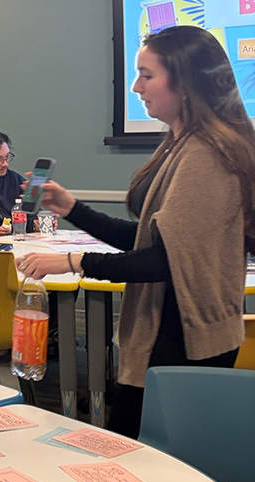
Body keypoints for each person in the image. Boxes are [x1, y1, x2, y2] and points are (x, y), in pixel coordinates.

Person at [19, 26, 255, 439]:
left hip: (183, 339)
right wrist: (73, 208)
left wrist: (72, 261)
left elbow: (161, 262)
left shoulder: (205, 154)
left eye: (147, 75)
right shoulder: (181, 143)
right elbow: (149, 240)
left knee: (147, 460)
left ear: (184, 80)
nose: (135, 86)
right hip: (170, 331)